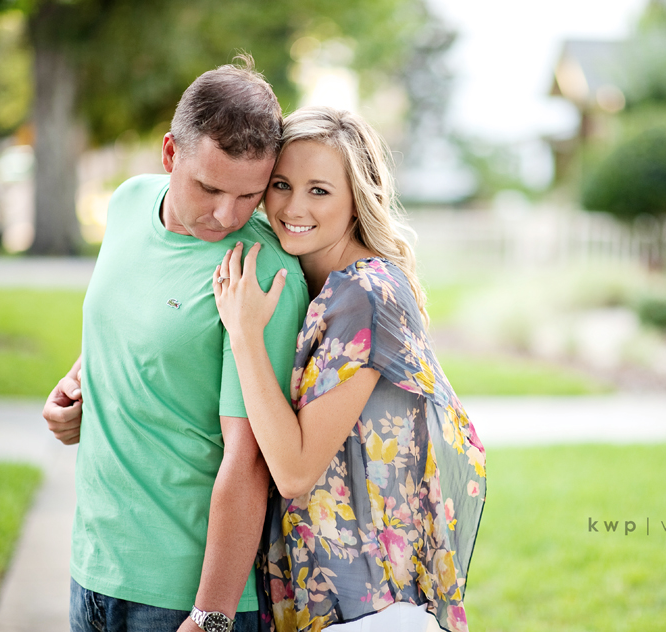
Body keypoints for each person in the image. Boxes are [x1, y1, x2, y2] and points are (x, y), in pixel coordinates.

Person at [41, 57, 309, 632]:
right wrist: (77, 384)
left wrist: (211, 616)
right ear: (170, 154)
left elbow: (250, 458)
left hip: (181, 596)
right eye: (209, 187)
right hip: (93, 565)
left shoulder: (261, 271)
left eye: (249, 195)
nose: (226, 215)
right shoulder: (128, 202)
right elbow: (131, 322)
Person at [212, 106, 486, 632]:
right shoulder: (315, 285)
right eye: (281, 185)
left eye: (319, 190)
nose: (293, 206)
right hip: (332, 601)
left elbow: (294, 470)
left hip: (366, 609)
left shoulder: (364, 293)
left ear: (357, 200)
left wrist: (244, 334)